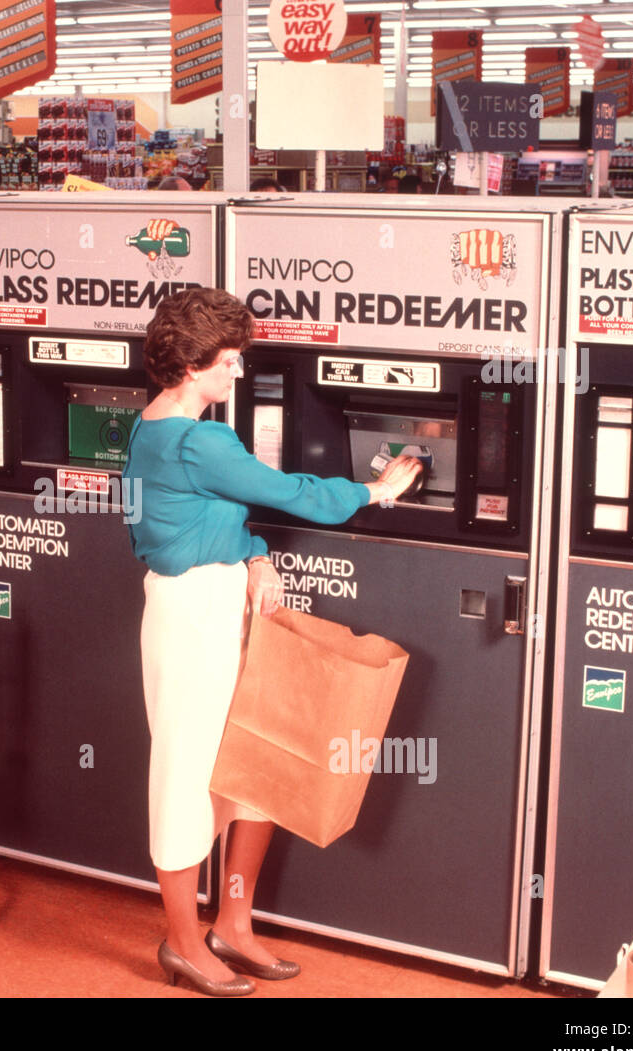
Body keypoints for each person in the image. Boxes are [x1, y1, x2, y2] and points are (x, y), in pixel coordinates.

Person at [122, 287, 421, 996]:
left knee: (250, 760)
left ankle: (232, 922)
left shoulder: (150, 427)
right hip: (194, 616)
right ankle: (184, 942)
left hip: (208, 601)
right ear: (193, 366)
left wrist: (253, 554)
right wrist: (373, 492)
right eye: (228, 361)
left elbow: (193, 519)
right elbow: (291, 491)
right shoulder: (199, 438)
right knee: (187, 780)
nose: (236, 373)